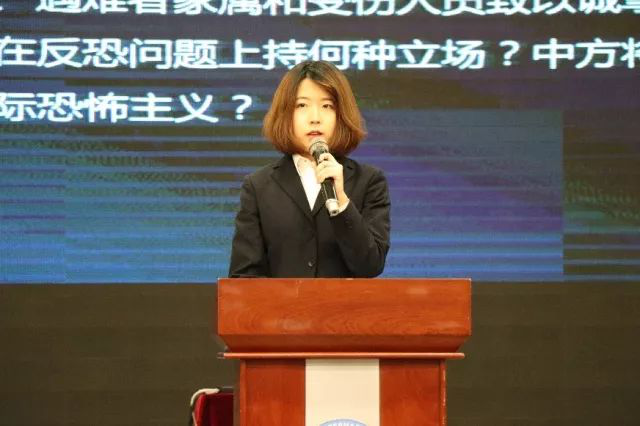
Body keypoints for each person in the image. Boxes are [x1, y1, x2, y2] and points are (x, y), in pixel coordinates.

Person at [228, 60, 390, 278]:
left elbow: (371, 265)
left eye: (327, 106)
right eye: (302, 106)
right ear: (286, 114)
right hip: (281, 302)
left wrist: (342, 202)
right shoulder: (258, 186)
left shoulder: (369, 181)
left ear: (341, 115)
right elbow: (244, 276)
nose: (315, 118)